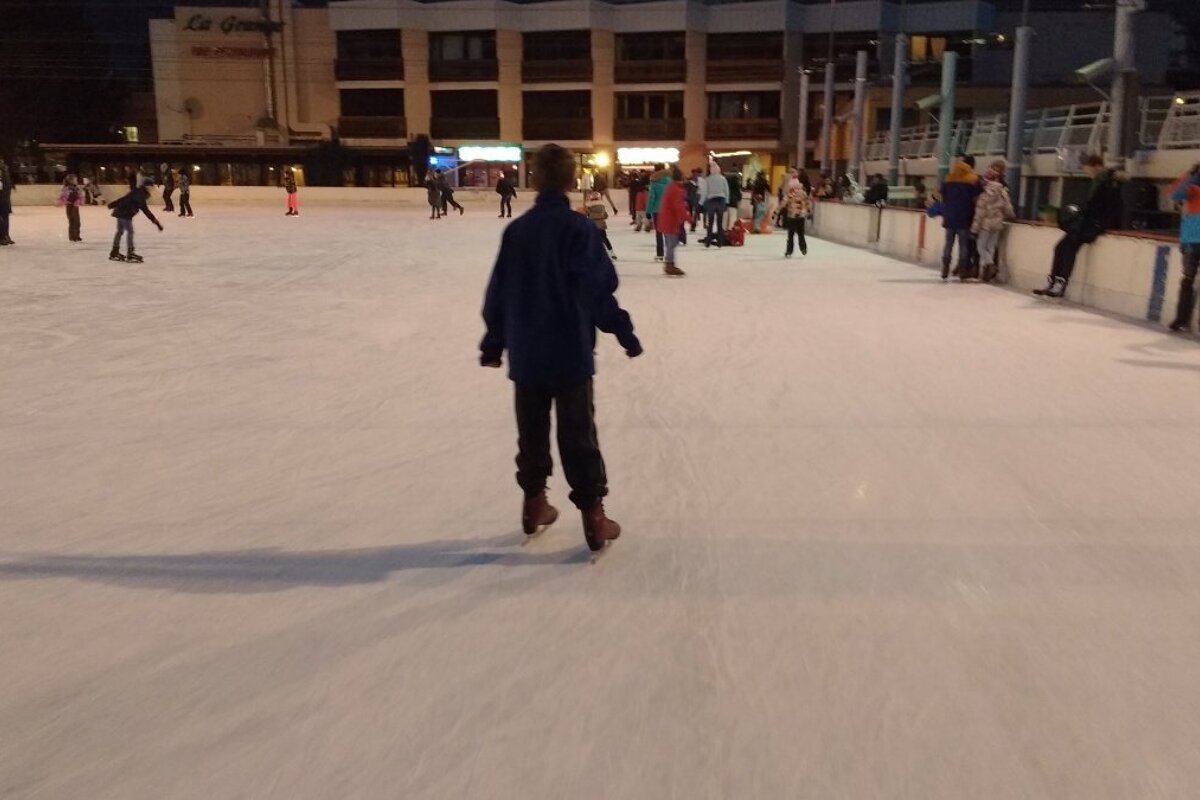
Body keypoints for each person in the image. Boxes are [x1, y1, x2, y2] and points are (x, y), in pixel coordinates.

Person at [479, 144, 641, 552]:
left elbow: (499, 293)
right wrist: (622, 331)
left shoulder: (516, 231)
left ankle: (534, 505)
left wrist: (494, 343)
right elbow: (596, 289)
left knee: (531, 433)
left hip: (528, 354)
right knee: (578, 434)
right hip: (569, 352)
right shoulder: (579, 230)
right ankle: (594, 518)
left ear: (534, 179)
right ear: (572, 180)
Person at [1033, 154, 1123, 298]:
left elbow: (1105, 207)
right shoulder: (1098, 182)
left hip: (1093, 224)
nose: (1087, 172)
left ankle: (1060, 283)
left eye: (1088, 169)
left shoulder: (1107, 183)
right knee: (1060, 247)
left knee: (1069, 247)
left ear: (1097, 166)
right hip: (1086, 223)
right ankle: (1052, 280)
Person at [937, 157, 983, 281]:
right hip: (965, 217)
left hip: (950, 217)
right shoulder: (973, 180)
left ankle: (945, 269)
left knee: (948, 244)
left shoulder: (948, 179)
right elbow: (977, 199)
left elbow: (943, 197)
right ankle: (963, 270)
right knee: (963, 245)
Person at [1166, 164, 1200, 332]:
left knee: (1189, 279)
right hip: (1191, 239)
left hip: (1191, 238)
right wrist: (1192, 175)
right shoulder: (1192, 184)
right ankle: (1181, 318)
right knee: (1188, 279)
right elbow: (1175, 194)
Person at [970, 163, 1014, 283]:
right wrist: (1010, 216)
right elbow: (1008, 207)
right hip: (998, 223)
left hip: (986, 224)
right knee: (990, 247)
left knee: (981, 246)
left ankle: (990, 265)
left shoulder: (984, 194)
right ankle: (988, 272)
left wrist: (974, 230)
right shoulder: (1002, 191)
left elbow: (980, 213)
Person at [107, 177, 163, 262]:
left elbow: (124, 198)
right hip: (125, 213)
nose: (153, 188)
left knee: (119, 232)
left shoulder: (138, 192)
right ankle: (130, 253)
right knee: (130, 232)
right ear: (147, 186)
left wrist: (114, 204)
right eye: (151, 186)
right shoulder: (141, 195)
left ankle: (114, 252)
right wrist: (156, 222)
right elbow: (146, 210)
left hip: (120, 211)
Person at [655, 167, 688, 277]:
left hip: (665, 219)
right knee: (672, 243)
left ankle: (669, 263)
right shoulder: (677, 190)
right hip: (670, 220)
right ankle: (669, 264)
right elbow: (678, 206)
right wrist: (687, 218)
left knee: (671, 242)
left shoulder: (671, 187)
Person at [645, 164, 671, 260]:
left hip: (657, 210)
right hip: (668, 210)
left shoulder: (654, 183)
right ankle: (669, 253)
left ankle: (660, 254)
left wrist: (648, 211)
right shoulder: (670, 182)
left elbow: (652, 198)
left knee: (659, 232)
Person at [702, 162, 729, 248]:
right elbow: (726, 191)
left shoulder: (707, 179)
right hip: (721, 200)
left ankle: (708, 241)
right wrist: (727, 202)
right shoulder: (723, 179)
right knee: (719, 223)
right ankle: (720, 241)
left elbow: (705, 192)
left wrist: (701, 202)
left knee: (710, 222)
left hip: (711, 201)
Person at [584, 190, 617, 261]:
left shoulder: (589, 206)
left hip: (593, 226)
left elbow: (587, 214)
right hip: (601, 225)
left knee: (592, 240)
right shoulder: (602, 205)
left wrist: (589, 214)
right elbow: (605, 215)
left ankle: (593, 254)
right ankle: (611, 253)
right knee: (604, 239)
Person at [783, 175, 810, 258]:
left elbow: (783, 203)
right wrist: (808, 212)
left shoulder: (790, 194)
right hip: (801, 216)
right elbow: (807, 203)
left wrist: (775, 213)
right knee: (801, 234)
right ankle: (803, 248)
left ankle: (789, 251)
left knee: (790, 235)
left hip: (792, 217)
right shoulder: (803, 194)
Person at [57, 174, 84, 242]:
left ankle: (77, 235)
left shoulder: (77, 188)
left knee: (77, 222)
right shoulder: (66, 188)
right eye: (75, 180)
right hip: (69, 206)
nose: (76, 181)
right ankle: (72, 236)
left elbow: (80, 195)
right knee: (72, 221)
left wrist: (80, 201)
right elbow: (63, 196)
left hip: (75, 206)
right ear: (71, 181)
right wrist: (61, 201)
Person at [0, 159, 13, 246]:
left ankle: (4, 236)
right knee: (4, 217)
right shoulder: (5, 170)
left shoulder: (5, 170)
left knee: (4, 217)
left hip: (4, 197)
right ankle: (4, 236)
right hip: (4, 197)